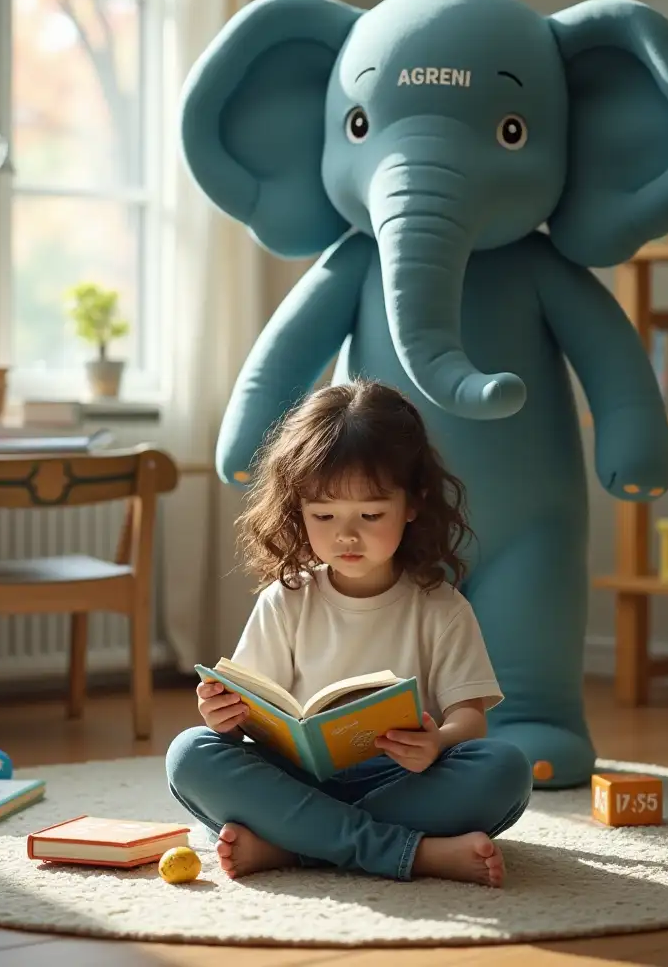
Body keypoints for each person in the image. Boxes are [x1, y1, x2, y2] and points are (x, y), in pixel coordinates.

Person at [165, 379, 532, 884]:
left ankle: (293, 846)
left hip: (401, 780)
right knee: (191, 752)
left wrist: (437, 741)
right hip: (294, 781)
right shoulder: (286, 599)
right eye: (324, 515)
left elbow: (470, 720)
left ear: (414, 503)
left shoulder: (441, 607)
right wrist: (224, 716)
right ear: (299, 511)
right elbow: (254, 710)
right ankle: (414, 854)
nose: (346, 534)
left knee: (505, 768)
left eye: (371, 514)